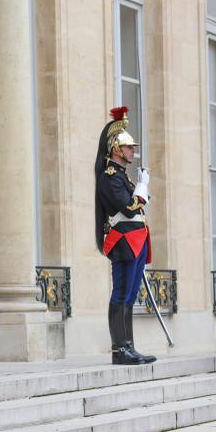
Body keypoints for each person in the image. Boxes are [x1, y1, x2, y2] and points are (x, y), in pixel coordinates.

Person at [94, 107, 156, 365]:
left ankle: (129, 346)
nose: (133, 151)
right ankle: (119, 349)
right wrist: (142, 187)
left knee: (130, 294)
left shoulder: (121, 176)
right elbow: (128, 207)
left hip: (137, 239)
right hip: (124, 241)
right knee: (121, 293)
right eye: (129, 147)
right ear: (116, 149)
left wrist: (138, 187)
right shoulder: (110, 176)